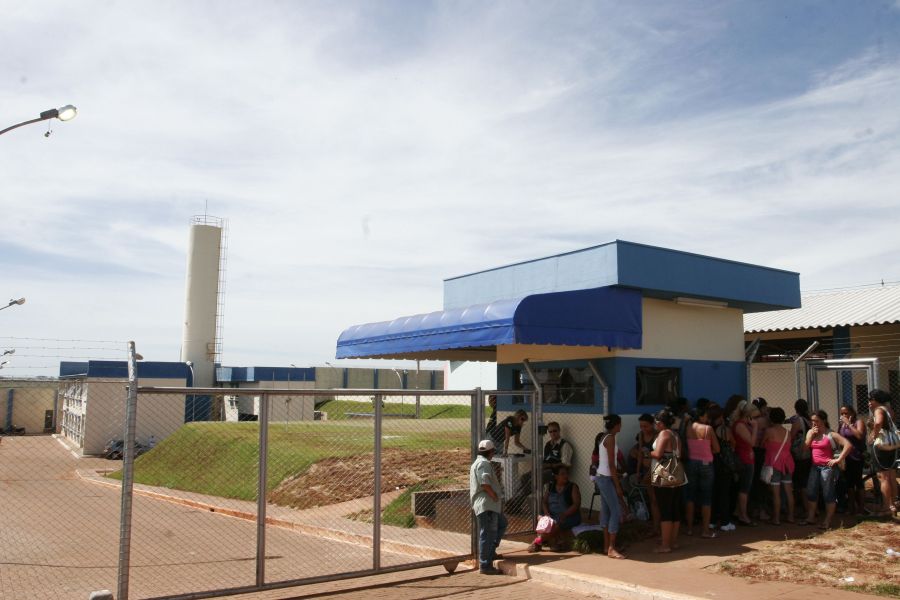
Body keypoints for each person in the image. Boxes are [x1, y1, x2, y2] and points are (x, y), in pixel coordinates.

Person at [804, 410, 852, 529]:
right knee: (811, 492)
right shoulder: (811, 432)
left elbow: (848, 445)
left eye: (817, 421)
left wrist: (838, 459)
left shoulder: (830, 434)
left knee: (828, 493)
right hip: (814, 467)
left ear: (823, 420)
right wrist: (810, 437)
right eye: (812, 421)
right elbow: (804, 449)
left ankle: (827, 521)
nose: (814, 423)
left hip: (827, 468)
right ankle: (811, 517)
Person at [650, 408, 686, 553]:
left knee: (665, 509)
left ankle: (665, 545)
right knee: (674, 509)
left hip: (664, 475)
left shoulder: (664, 434)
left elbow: (658, 454)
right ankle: (673, 541)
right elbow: (680, 454)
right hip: (677, 475)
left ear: (659, 423)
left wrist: (648, 451)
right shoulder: (676, 435)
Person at [469, 439, 507, 575]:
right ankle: (485, 564)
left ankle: (490, 552)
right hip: (487, 504)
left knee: (501, 524)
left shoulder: (479, 463)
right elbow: (484, 483)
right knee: (487, 533)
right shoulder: (483, 464)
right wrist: (494, 496)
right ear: (491, 452)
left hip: (489, 505)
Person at [684, 404, 720, 537]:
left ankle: (689, 528)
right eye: (706, 416)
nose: (707, 418)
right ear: (701, 416)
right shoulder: (708, 429)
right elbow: (717, 449)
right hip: (706, 464)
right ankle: (705, 530)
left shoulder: (688, 427)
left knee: (690, 496)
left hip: (691, 463)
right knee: (706, 496)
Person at [595, 414, 628, 558]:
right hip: (607, 479)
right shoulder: (611, 438)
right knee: (615, 511)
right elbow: (611, 465)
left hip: (602, 477)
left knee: (606, 511)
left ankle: (606, 545)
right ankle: (611, 548)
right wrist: (618, 485)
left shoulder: (604, 436)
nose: (621, 426)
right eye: (619, 424)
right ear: (615, 425)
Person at [529, 464, 582, 553]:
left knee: (556, 524)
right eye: (562, 474)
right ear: (556, 476)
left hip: (569, 516)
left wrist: (565, 514)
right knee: (541, 518)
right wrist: (546, 513)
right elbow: (544, 502)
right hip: (552, 514)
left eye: (566, 474)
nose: (566, 476)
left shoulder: (572, 487)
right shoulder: (551, 486)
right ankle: (556, 543)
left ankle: (538, 542)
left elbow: (576, 504)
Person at [867, 389, 898, 518]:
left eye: (870, 400)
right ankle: (893, 504)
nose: (869, 403)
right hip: (892, 446)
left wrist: (873, 435)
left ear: (876, 400)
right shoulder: (888, 409)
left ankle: (886, 507)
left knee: (883, 477)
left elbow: (879, 422)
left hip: (882, 447)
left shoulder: (878, 410)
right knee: (891, 475)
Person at [762, 407, 794, 524]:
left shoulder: (769, 431)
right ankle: (791, 516)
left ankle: (776, 518)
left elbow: (762, 444)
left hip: (774, 463)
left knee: (776, 493)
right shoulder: (788, 433)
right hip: (787, 463)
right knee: (788, 491)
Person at [629, 413, 661, 532]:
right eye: (641, 426)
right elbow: (640, 456)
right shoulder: (642, 435)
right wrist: (638, 472)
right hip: (646, 471)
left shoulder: (658, 436)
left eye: (646, 426)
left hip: (657, 471)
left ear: (653, 425)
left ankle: (661, 527)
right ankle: (656, 527)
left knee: (658, 500)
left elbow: (659, 455)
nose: (643, 429)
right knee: (652, 499)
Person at [709, 403, 737, 532]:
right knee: (724, 493)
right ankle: (725, 521)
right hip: (724, 464)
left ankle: (712, 520)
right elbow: (733, 443)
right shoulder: (724, 429)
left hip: (712, 462)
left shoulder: (708, 429)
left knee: (713, 493)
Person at [730, 400, 758, 526]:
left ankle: (738, 512)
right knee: (744, 488)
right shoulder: (740, 425)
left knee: (743, 487)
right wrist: (755, 427)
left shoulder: (741, 423)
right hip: (745, 458)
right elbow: (751, 442)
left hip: (746, 456)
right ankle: (743, 516)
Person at [837, 404, 867, 516]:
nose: (844, 415)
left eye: (846, 413)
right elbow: (840, 439)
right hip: (846, 457)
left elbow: (859, 435)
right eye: (842, 414)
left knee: (858, 482)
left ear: (852, 414)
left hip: (857, 456)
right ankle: (851, 508)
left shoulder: (858, 422)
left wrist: (849, 424)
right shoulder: (842, 425)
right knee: (848, 483)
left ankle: (861, 508)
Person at [788, 399, 812, 521]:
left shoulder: (798, 421)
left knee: (801, 484)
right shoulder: (809, 420)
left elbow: (791, 437)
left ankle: (807, 510)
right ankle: (812, 509)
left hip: (799, 455)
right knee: (806, 482)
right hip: (809, 454)